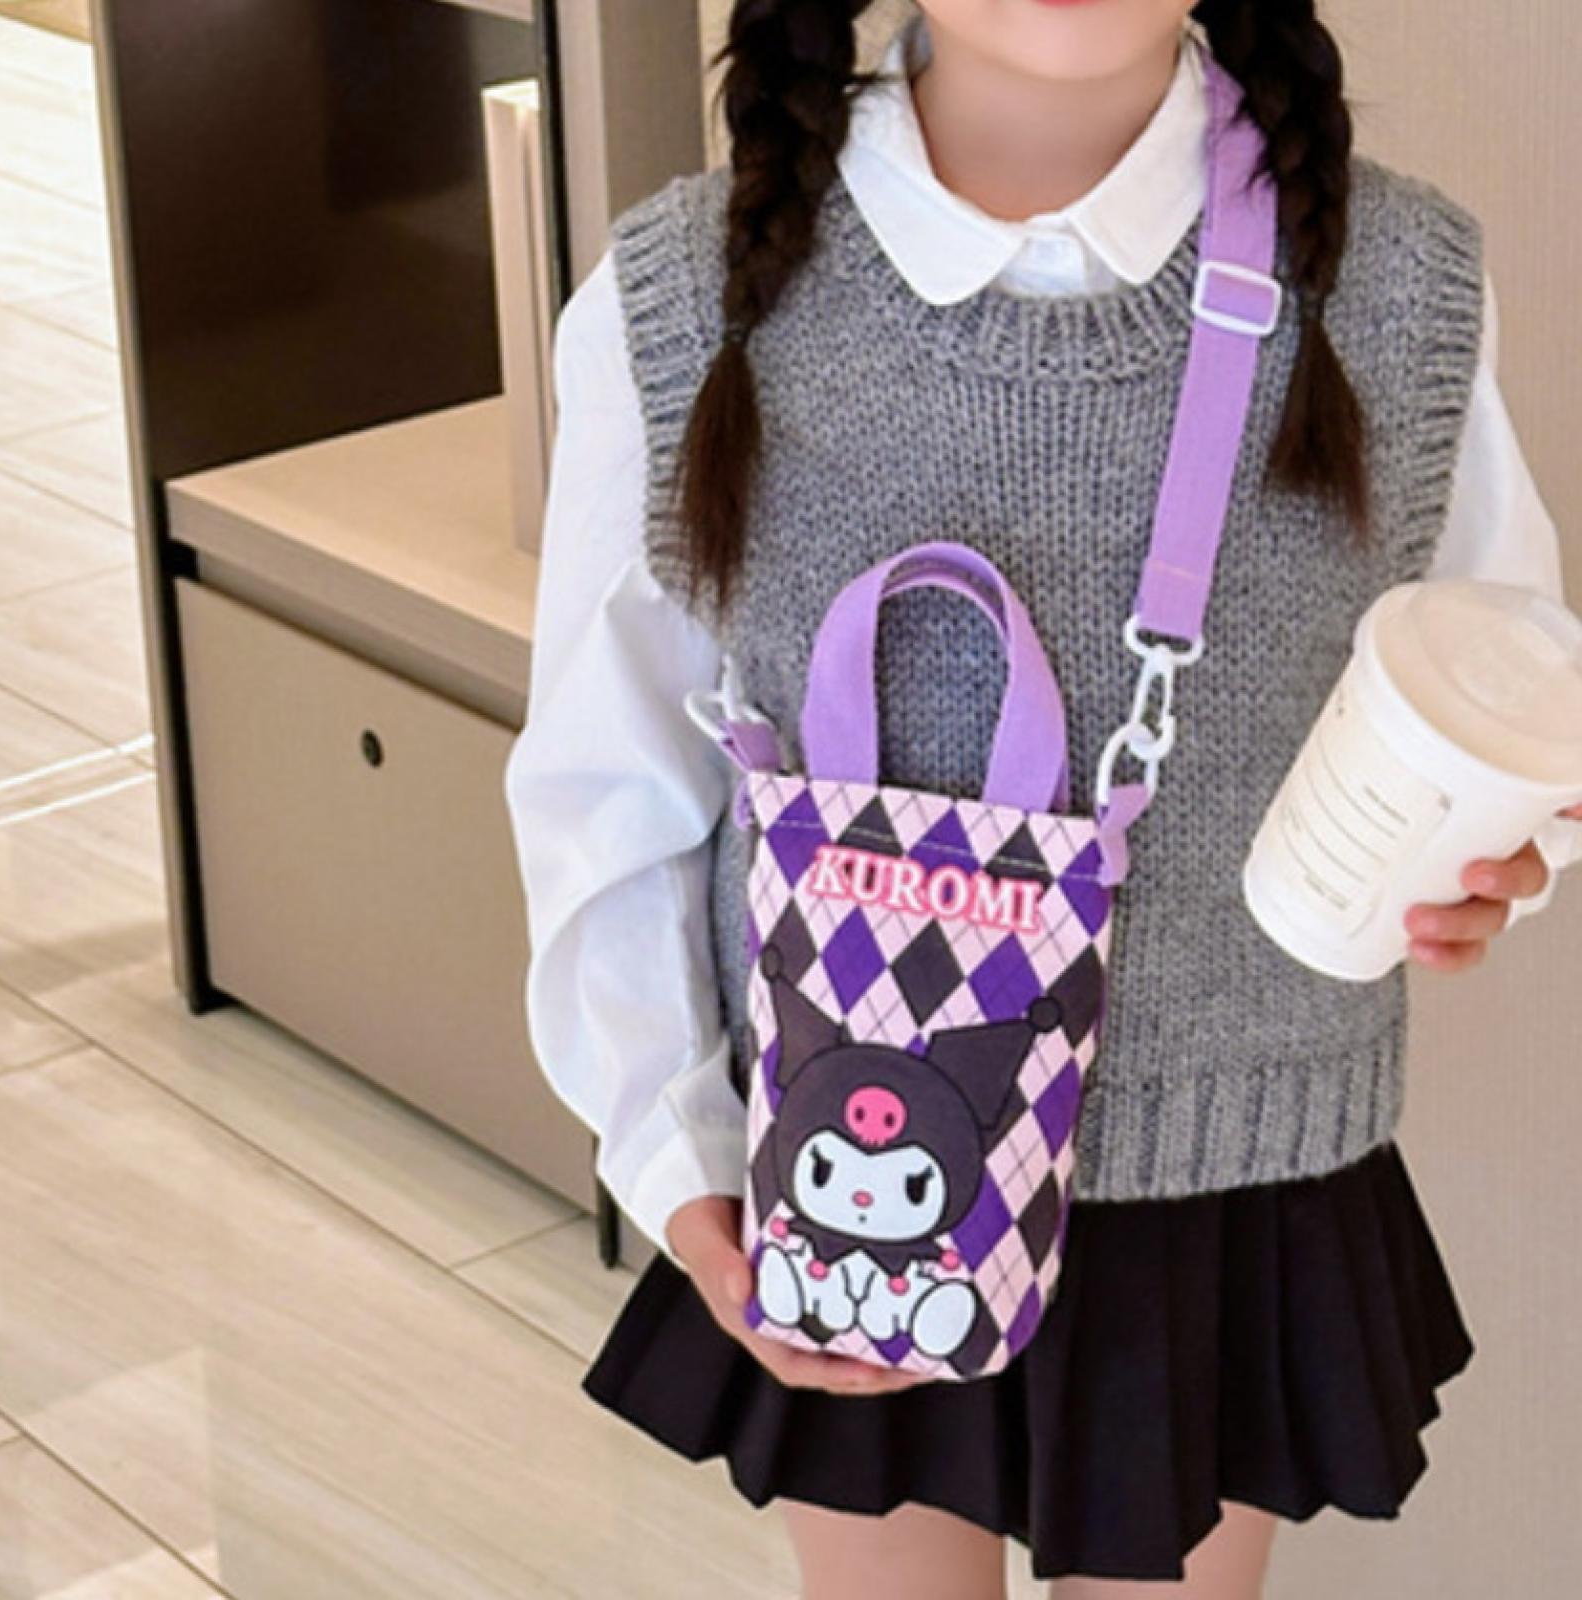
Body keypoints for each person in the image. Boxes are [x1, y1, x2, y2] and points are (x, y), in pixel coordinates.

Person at [504, 2, 1582, 1595]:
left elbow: (1503, 683)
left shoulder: (1398, 285)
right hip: (849, 1160)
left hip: (1222, 1187)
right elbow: (610, 790)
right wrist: (679, 1158)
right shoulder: (681, 297)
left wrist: (1495, 861)